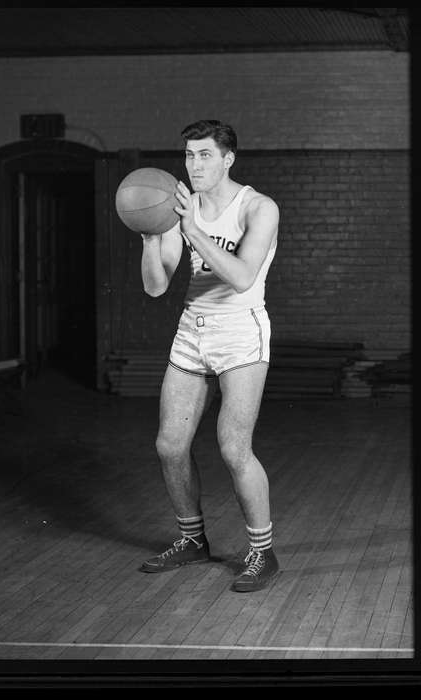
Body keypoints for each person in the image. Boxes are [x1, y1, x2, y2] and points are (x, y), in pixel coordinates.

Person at [138, 119, 280, 592]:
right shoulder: (184, 208)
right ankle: (192, 540)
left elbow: (241, 276)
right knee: (169, 445)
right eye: (188, 155)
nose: (193, 164)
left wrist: (191, 229)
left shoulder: (258, 208)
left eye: (203, 155)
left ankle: (263, 552)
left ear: (227, 159)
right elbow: (157, 287)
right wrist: (151, 237)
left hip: (241, 331)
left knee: (234, 447)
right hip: (192, 329)